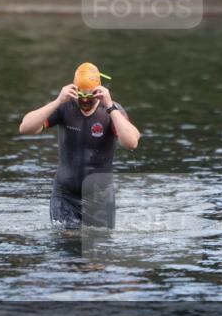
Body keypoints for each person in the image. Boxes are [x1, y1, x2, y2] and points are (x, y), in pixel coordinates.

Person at [19, 63, 140, 229]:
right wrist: (57, 101)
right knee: (67, 243)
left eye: (89, 97)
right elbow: (25, 128)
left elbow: (132, 142)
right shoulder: (64, 107)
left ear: (98, 90)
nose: (84, 101)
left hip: (100, 198)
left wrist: (111, 107)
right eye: (80, 95)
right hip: (64, 196)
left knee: (96, 247)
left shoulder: (111, 110)